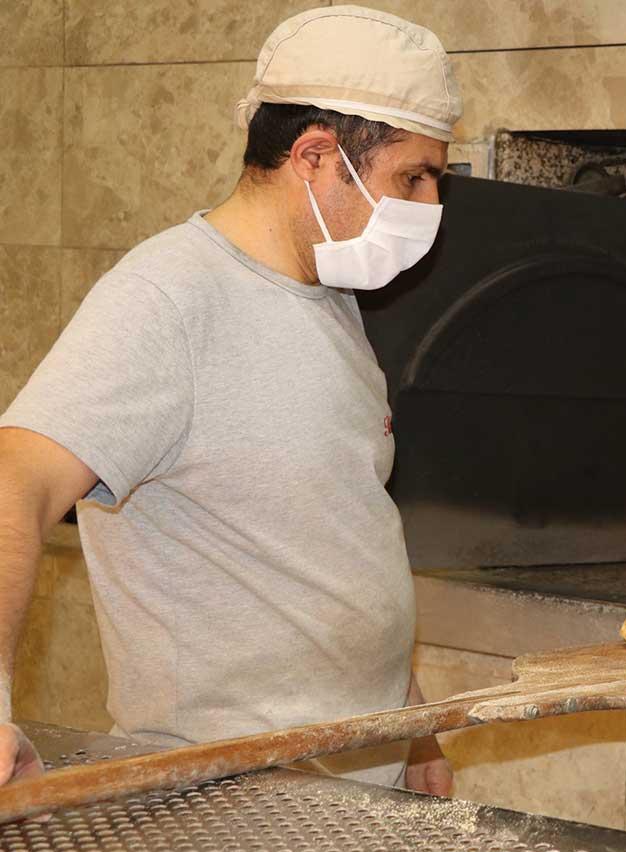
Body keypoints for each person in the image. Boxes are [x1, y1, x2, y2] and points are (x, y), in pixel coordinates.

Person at [0, 5, 460, 794]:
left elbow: (337, 542)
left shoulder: (331, 299)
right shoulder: (169, 297)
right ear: (316, 156)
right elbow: (15, 478)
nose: (426, 206)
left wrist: (413, 733)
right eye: (411, 178)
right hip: (226, 798)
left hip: (354, 782)